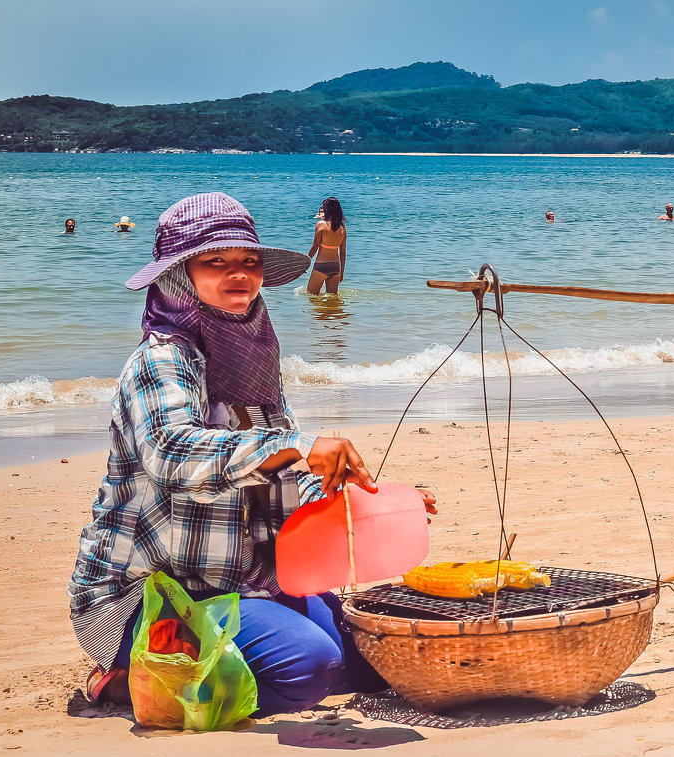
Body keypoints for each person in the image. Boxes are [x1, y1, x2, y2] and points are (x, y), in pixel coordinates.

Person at [69, 192, 437, 715]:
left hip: (245, 578)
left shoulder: (250, 360)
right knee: (308, 669)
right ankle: (125, 682)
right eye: (214, 262)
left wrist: (369, 499)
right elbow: (174, 453)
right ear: (178, 276)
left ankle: (227, 656)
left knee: (377, 659)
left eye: (249, 261)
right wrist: (293, 447)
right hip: (152, 595)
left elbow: (280, 473)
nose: (238, 274)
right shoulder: (161, 361)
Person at [307, 197, 347, 295]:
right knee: (332, 299)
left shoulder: (320, 225)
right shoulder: (342, 228)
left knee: (311, 295)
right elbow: (342, 253)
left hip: (321, 267)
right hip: (335, 267)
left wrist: (305, 261)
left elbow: (314, 247)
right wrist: (341, 273)